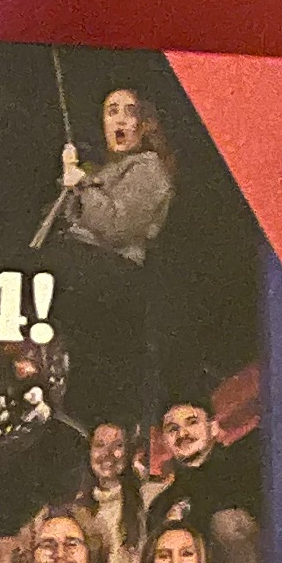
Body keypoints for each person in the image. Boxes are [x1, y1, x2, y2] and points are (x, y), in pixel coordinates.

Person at [47, 81, 174, 409]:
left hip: (113, 270)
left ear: (143, 125)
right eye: (111, 111)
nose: (119, 120)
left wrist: (82, 186)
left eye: (129, 113)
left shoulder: (150, 169)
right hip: (85, 264)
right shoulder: (104, 170)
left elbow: (118, 227)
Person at [142, 390, 261, 563]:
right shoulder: (161, 505)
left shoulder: (248, 470)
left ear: (213, 428)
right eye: (172, 429)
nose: (182, 433)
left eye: (192, 422)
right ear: (165, 440)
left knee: (227, 522)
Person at [82, 419, 149, 563]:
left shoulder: (149, 500)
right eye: (100, 445)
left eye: (117, 445)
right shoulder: (78, 510)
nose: (108, 453)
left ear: (128, 452)